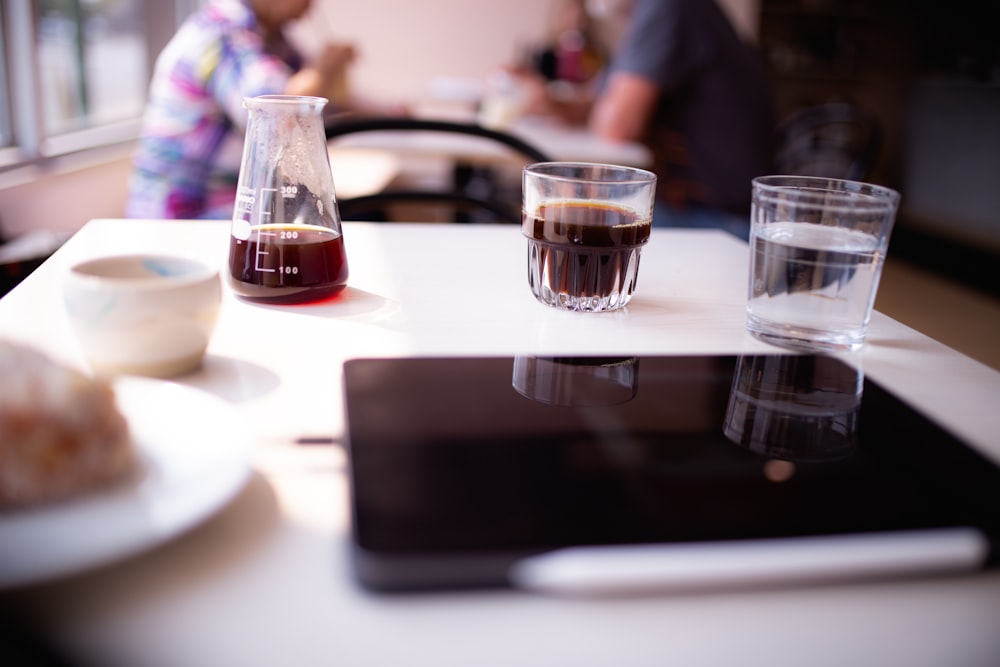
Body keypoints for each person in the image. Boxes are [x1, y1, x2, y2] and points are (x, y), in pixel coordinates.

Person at [527, 0, 775, 240]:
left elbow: (617, 126)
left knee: (561, 221)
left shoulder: (667, 6)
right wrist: (550, 103)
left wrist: (601, 107)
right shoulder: (648, 15)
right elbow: (599, 103)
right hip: (701, 209)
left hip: (720, 223)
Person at [126, 0, 370, 220]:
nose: (311, 6)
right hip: (183, 217)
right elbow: (274, 114)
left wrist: (392, 110)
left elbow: (320, 100)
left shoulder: (271, 37)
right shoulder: (222, 32)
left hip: (230, 206)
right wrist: (324, 68)